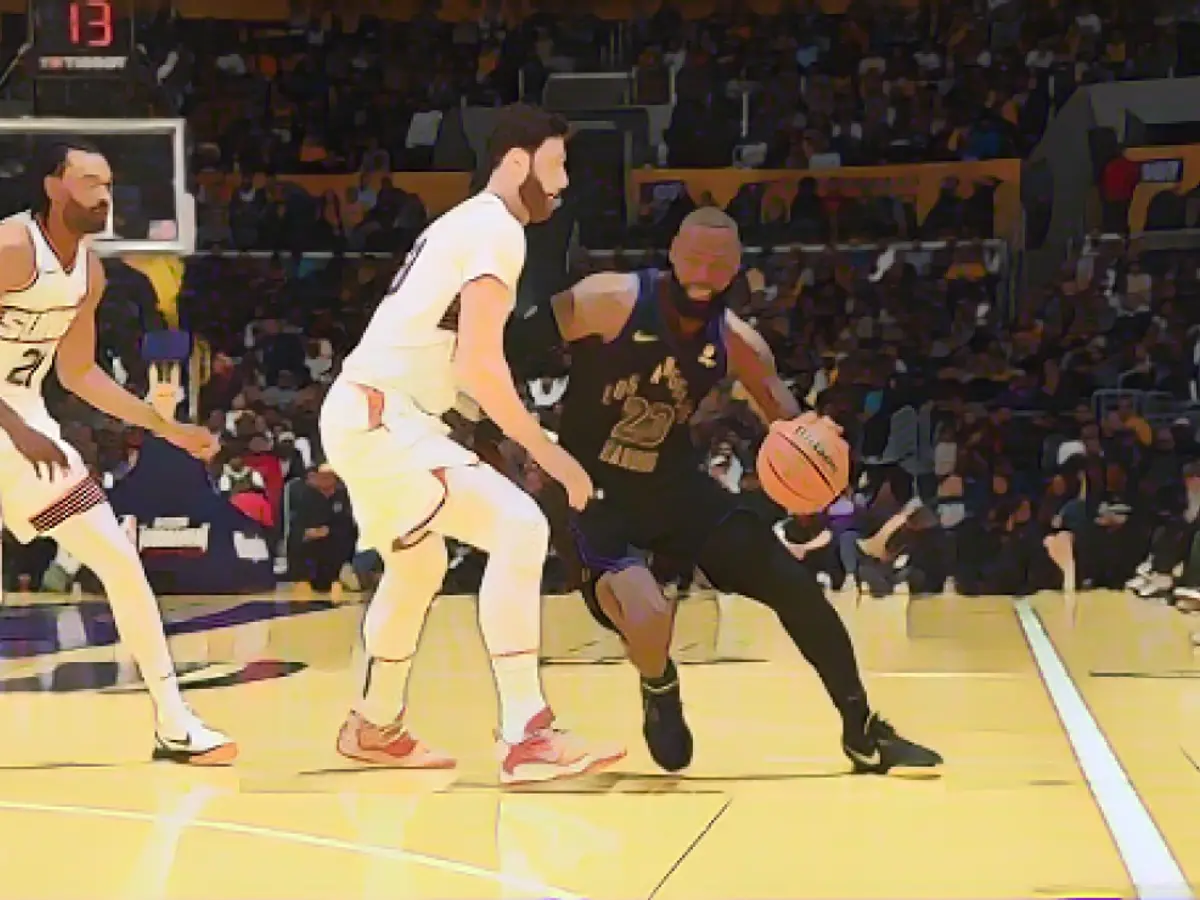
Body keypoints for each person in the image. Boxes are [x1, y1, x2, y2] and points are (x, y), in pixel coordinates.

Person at [506, 207, 942, 774]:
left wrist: (820, 441)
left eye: (718, 261)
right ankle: (659, 686)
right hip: (597, 495)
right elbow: (510, 345)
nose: (704, 270)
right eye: (695, 256)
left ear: (735, 268)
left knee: (795, 587)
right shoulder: (607, 299)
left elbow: (786, 422)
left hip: (677, 487)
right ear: (673, 254)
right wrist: (514, 438)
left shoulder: (738, 343)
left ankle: (862, 732)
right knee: (647, 610)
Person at [319, 104, 623, 785]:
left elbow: (459, 372)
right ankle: (527, 733)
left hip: (374, 413)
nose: (565, 182)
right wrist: (553, 456)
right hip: (381, 418)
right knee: (519, 526)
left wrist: (512, 438)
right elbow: (483, 367)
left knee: (418, 569)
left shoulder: (465, 227)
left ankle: (374, 723)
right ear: (518, 162)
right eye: (558, 164)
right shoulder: (495, 229)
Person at [0, 140, 235, 764]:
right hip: (11, 424)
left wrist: (167, 426)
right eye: (87, 182)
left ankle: (174, 722)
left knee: (119, 559)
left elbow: (79, 374)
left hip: (22, 419)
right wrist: (15, 428)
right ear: (53, 187)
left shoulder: (89, 271)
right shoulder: (10, 248)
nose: (103, 194)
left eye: (107, 183)